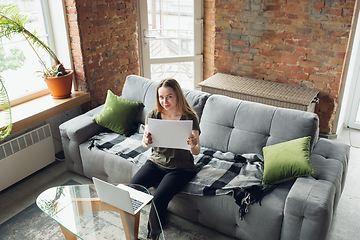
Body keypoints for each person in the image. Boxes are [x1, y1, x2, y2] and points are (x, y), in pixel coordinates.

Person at [129, 78, 201, 240]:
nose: (165, 101)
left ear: (178, 96)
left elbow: (196, 152)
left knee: (159, 199)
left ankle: (152, 236)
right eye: (161, 97)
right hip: (156, 162)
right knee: (132, 189)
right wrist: (145, 141)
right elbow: (145, 143)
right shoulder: (153, 115)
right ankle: (130, 231)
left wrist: (193, 144)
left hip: (181, 167)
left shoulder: (189, 117)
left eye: (169, 96)